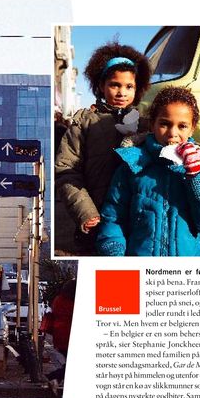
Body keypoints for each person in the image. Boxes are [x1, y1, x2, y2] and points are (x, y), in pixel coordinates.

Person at [96, 87, 200, 257]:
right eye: (164, 124)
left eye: (182, 126)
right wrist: (114, 253)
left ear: (192, 128)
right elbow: (113, 219)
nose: (172, 134)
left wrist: (197, 176)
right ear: (152, 124)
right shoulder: (131, 167)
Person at [56, 42, 151, 255]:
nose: (121, 92)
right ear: (101, 85)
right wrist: (86, 212)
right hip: (95, 221)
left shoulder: (146, 125)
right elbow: (66, 170)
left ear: (138, 88)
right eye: (114, 84)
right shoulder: (84, 123)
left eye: (129, 86)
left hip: (136, 220)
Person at [44, 279, 75, 396]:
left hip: (59, 334)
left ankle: (55, 379)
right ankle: (54, 377)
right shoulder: (72, 302)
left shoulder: (58, 300)